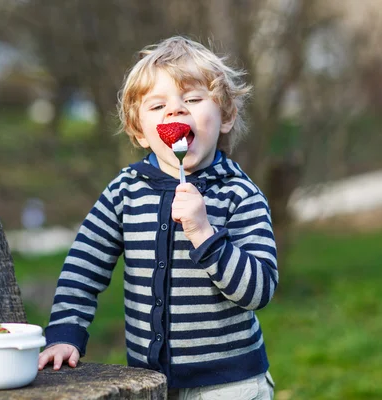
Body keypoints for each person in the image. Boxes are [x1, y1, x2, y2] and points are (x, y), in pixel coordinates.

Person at [38, 36, 278, 399]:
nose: (175, 112)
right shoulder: (125, 190)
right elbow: (84, 266)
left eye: (194, 100)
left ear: (226, 117)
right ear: (139, 131)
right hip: (150, 384)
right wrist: (64, 333)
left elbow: (258, 290)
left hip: (229, 384)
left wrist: (204, 232)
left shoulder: (239, 194)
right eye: (157, 106)